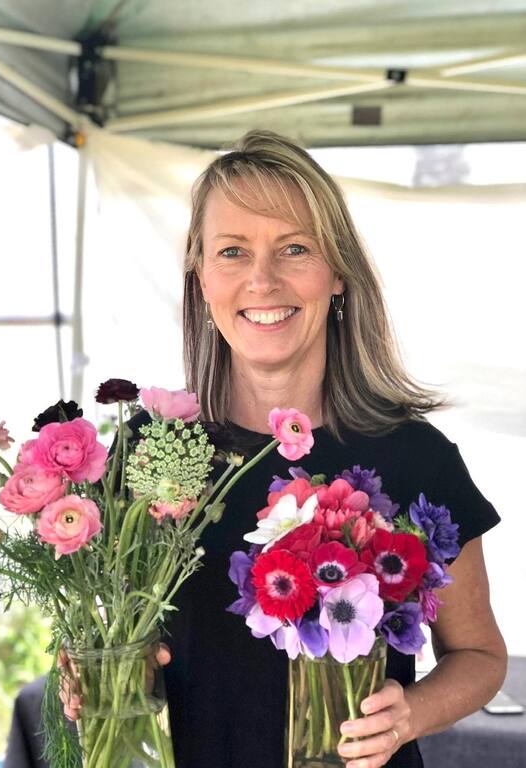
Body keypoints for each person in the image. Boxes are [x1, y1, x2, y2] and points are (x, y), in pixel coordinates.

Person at [58, 130, 506, 768]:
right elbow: (139, 653)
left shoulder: (418, 457)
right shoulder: (149, 451)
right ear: (203, 278)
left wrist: (408, 714)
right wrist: (105, 670)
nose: (262, 280)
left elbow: (481, 657)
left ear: (338, 276)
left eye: (294, 248)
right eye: (233, 252)